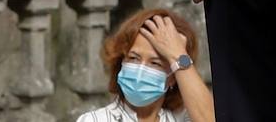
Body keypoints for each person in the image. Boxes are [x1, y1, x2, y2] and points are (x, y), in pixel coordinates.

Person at [75, 9, 214, 122]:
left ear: (173, 78)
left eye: (155, 63)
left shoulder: (181, 118)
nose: (140, 71)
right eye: (134, 58)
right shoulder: (95, 119)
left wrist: (178, 55)